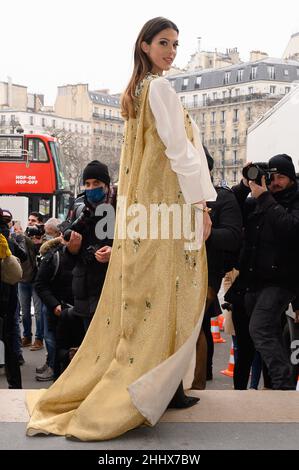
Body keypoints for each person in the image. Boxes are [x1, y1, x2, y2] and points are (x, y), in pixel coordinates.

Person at [26, 17, 216, 441]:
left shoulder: (137, 93)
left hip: (145, 216)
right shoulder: (160, 89)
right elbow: (181, 151)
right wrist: (202, 205)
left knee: (149, 298)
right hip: (171, 213)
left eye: (176, 45)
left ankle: (164, 386)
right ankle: (159, 388)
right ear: (145, 46)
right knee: (176, 294)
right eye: (164, 43)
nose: (171, 51)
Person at [227, 154, 299, 390]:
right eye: (273, 177)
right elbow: (231, 207)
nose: (276, 182)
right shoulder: (257, 201)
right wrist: (243, 185)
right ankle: (254, 389)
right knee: (257, 337)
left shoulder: (293, 201)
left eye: (282, 177)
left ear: (291, 179)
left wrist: (265, 197)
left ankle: (282, 381)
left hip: (281, 281)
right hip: (252, 282)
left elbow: (290, 230)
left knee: (260, 327)